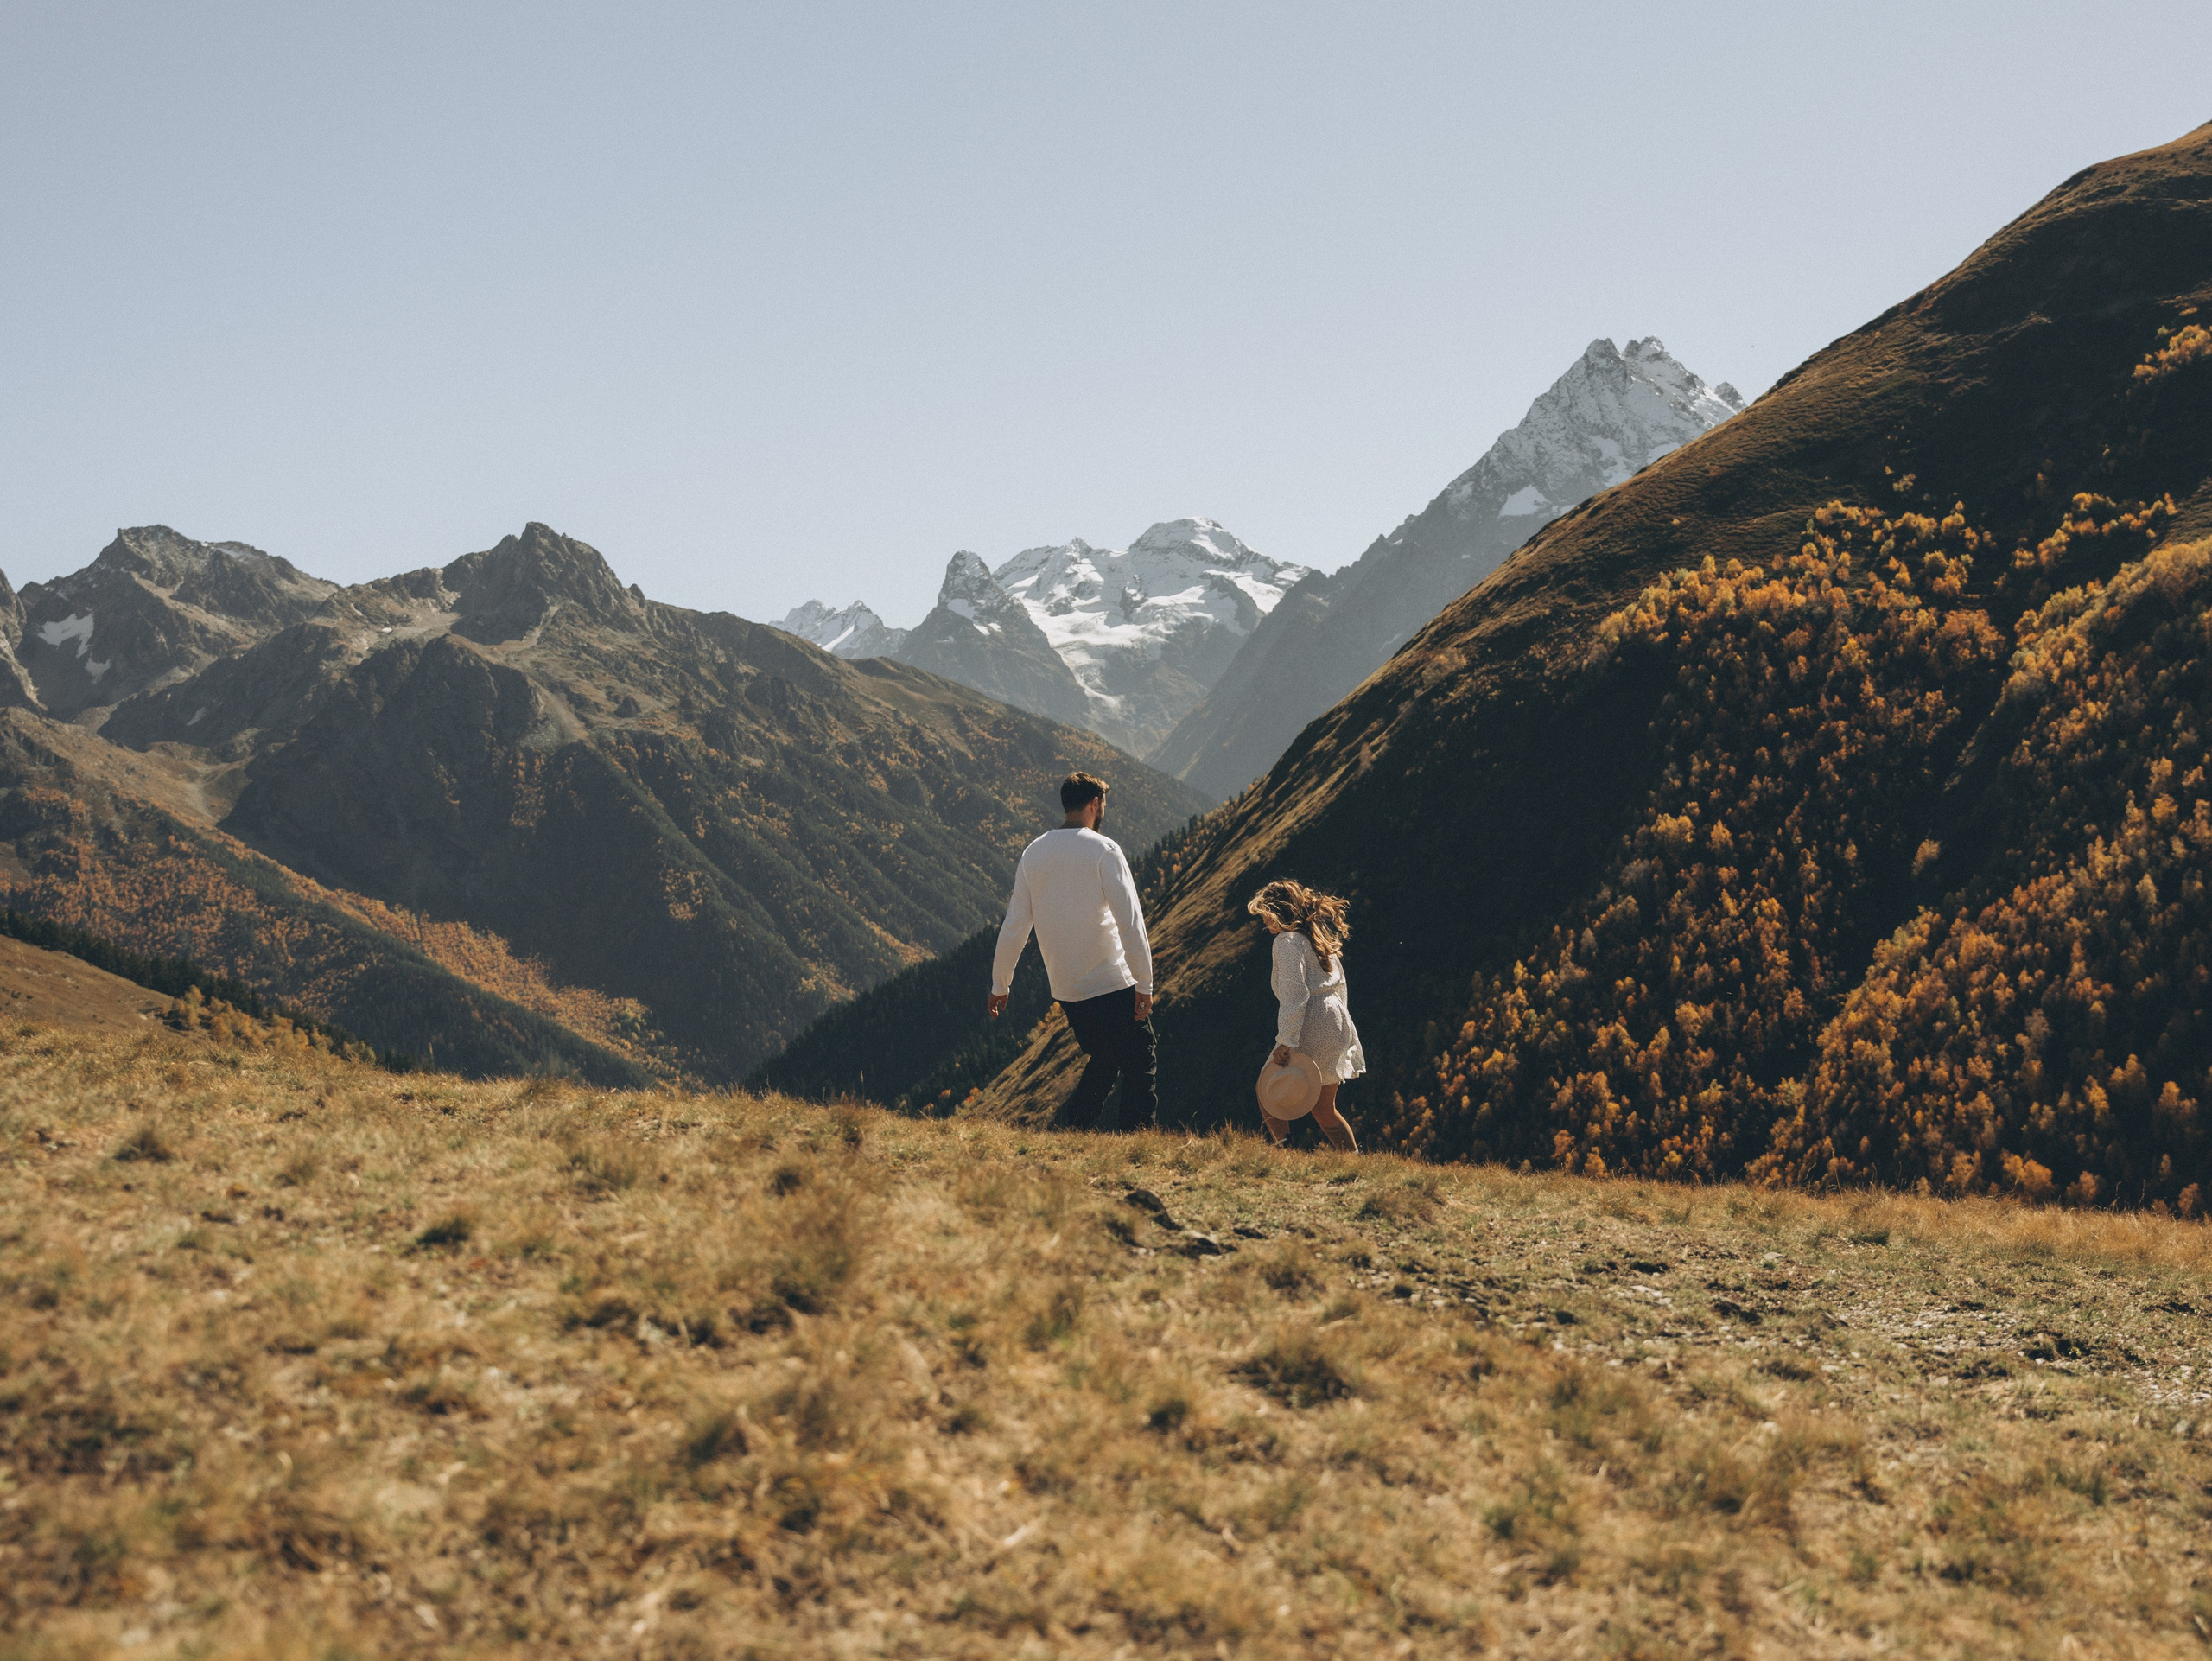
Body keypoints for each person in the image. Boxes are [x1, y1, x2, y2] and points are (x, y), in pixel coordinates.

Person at [988, 773, 1157, 1130]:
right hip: (1111, 980)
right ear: (1095, 804)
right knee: (1141, 1062)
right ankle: (1137, 1142)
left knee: (1106, 1056)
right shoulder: (1104, 850)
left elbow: (1016, 925)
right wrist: (1144, 981)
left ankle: (1076, 1127)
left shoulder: (1034, 852)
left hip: (1067, 989)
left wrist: (1000, 984)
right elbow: (1130, 921)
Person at [1248, 879, 1362, 1152]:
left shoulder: (1286, 942)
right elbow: (1340, 986)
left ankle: (1283, 1150)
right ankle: (1354, 1160)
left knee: (1267, 1089)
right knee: (1325, 1109)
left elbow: (1295, 994)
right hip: (1336, 1021)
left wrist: (1286, 1040)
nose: (1265, 922)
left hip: (1311, 1021)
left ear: (1277, 911)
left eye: (1266, 914)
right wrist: (1342, 1033)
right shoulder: (1316, 939)